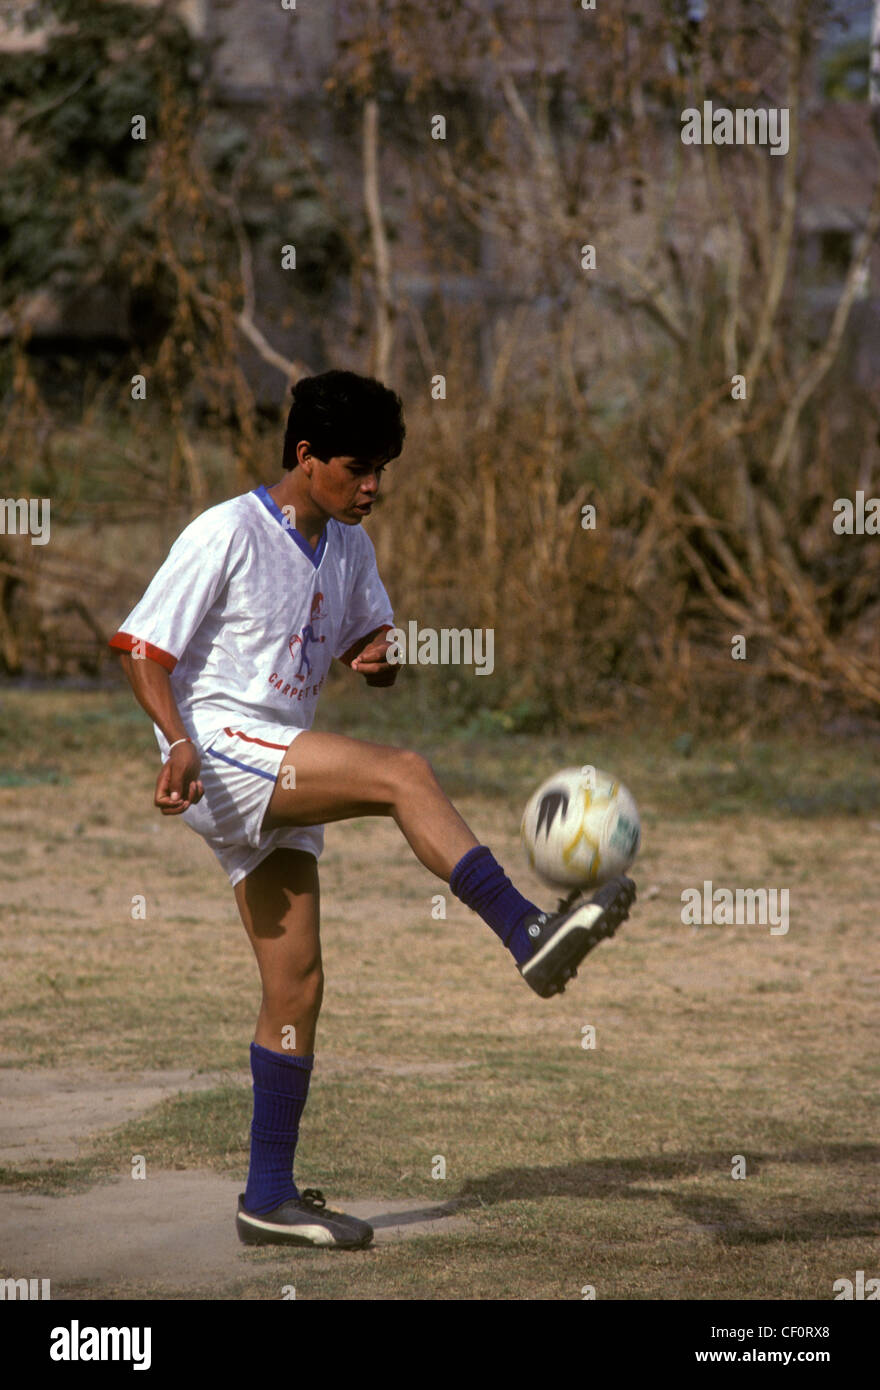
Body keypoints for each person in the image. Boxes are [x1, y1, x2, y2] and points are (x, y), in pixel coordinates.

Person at [109, 369, 636, 1250]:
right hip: (227, 747)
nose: (373, 487)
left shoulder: (349, 545)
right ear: (306, 455)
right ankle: (526, 933)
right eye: (359, 467)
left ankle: (266, 1197)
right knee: (405, 775)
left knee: (298, 985)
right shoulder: (226, 532)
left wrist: (379, 657)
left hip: (277, 760)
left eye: (383, 469)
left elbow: (366, 645)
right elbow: (141, 649)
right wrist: (175, 742)